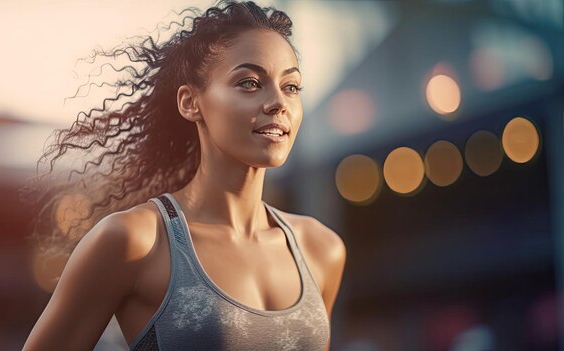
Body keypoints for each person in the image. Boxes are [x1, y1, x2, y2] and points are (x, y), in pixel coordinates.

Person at [21, 0, 346, 350]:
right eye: (250, 83)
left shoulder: (321, 250)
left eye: (291, 86)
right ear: (191, 102)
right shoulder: (135, 242)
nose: (278, 103)